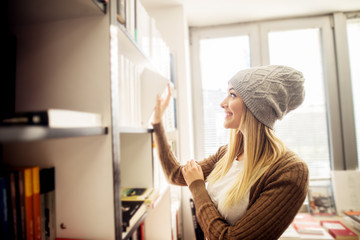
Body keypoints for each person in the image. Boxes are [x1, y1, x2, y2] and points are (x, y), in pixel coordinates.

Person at [152, 65, 309, 240]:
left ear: (257, 106)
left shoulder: (290, 172)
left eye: (232, 94)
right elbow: (176, 174)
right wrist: (157, 123)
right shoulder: (227, 154)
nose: (222, 103)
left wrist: (197, 188)